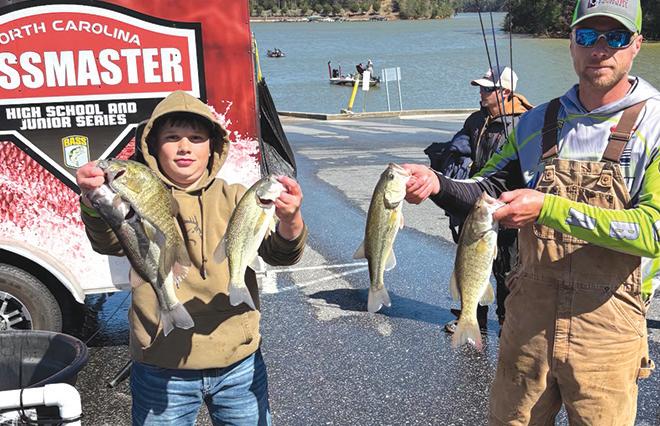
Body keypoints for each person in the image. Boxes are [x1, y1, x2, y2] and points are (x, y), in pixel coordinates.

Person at [404, 0, 656, 424]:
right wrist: (436, 183)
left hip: (608, 326)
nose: (599, 49)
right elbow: (487, 189)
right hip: (527, 323)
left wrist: (549, 208)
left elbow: (653, 232)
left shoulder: (656, 124)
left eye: (615, 37)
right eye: (587, 36)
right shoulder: (536, 121)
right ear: (571, 42)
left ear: (636, 45)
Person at [76, 90, 307, 425]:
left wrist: (291, 220)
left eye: (196, 138)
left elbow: (281, 255)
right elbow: (109, 242)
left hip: (238, 362)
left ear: (213, 147)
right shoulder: (133, 194)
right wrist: (92, 199)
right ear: (153, 147)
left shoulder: (237, 196)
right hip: (161, 364)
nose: (184, 147)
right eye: (172, 137)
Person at [438, 65, 533, 335]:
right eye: (481, 88)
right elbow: (459, 149)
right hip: (477, 201)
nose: (481, 93)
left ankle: (507, 321)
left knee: (507, 268)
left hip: (506, 205)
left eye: (488, 89)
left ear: (505, 92)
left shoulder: (523, 123)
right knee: (469, 260)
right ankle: (472, 317)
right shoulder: (476, 120)